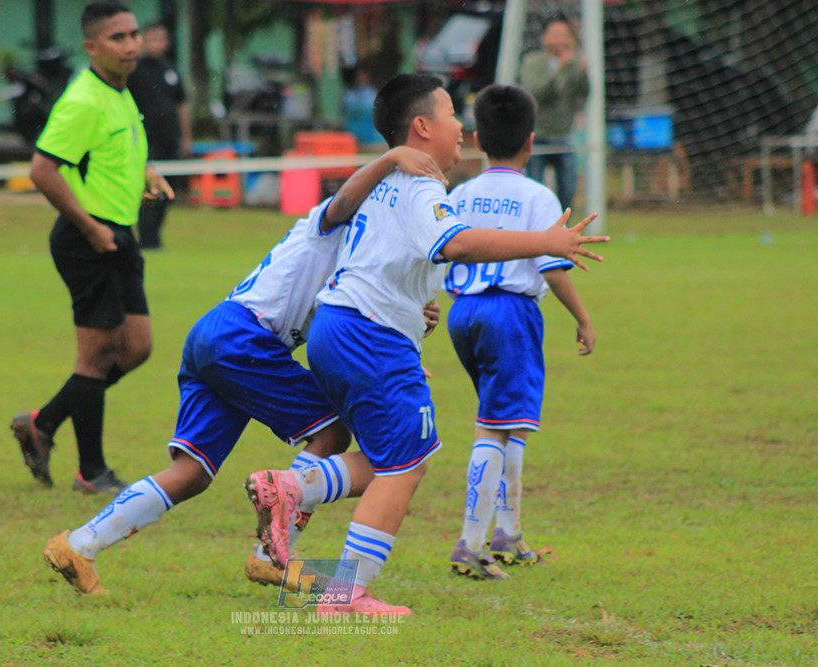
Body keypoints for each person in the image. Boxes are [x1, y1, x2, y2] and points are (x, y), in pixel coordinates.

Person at [247, 73, 607, 617]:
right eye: (451, 114)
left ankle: (293, 486)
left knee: (382, 457)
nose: (462, 126)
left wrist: (413, 312)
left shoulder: (384, 182)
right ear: (422, 127)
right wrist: (547, 241)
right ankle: (346, 596)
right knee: (406, 466)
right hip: (368, 335)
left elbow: (385, 255)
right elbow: (455, 244)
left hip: (338, 327)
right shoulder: (420, 186)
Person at [40, 146, 449, 595]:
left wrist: (404, 330)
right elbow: (346, 204)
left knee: (192, 472)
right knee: (332, 431)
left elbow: (350, 321)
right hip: (243, 339)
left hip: (217, 334)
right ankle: (269, 556)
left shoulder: (362, 258)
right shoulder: (333, 225)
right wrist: (391, 159)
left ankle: (78, 544)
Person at [10, 0, 173, 496]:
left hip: (120, 235)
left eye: (133, 35)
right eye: (118, 38)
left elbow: (112, 151)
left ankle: (43, 422)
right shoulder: (83, 99)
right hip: (89, 240)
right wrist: (88, 227)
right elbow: (43, 169)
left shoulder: (120, 92)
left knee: (137, 348)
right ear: (91, 46)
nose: (131, 45)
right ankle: (92, 472)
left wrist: (146, 172)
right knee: (97, 355)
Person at [443, 84, 596, 581]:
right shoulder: (537, 196)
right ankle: (470, 544)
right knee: (494, 425)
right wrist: (582, 317)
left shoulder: (461, 193)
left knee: (504, 418)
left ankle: (507, 534)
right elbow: (552, 267)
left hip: (463, 314)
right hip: (510, 313)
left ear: (477, 139)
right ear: (531, 141)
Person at [128, 21, 192, 250]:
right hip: (147, 142)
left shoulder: (171, 71)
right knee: (150, 190)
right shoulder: (134, 70)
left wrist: (185, 137)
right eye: (151, 38)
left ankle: (154, 236)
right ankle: (147, 238)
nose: (155, 44)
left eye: (160, 39)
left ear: (167, 43)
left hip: (169, 140)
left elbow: (181, 105)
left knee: (167, 190)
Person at [519, 18, 589, 212]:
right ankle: (535, 230)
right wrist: (560, 69)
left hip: (563, 136)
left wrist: (584, 74)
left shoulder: (573, 63)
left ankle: (562, 231)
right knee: (534, 188)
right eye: (557, 35)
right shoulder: (533, 62)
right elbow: (535, 94)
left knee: (568, 189)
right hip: (537, 136)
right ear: (545, 37)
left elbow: (584, 94)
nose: (562, 40)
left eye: (565, 35)